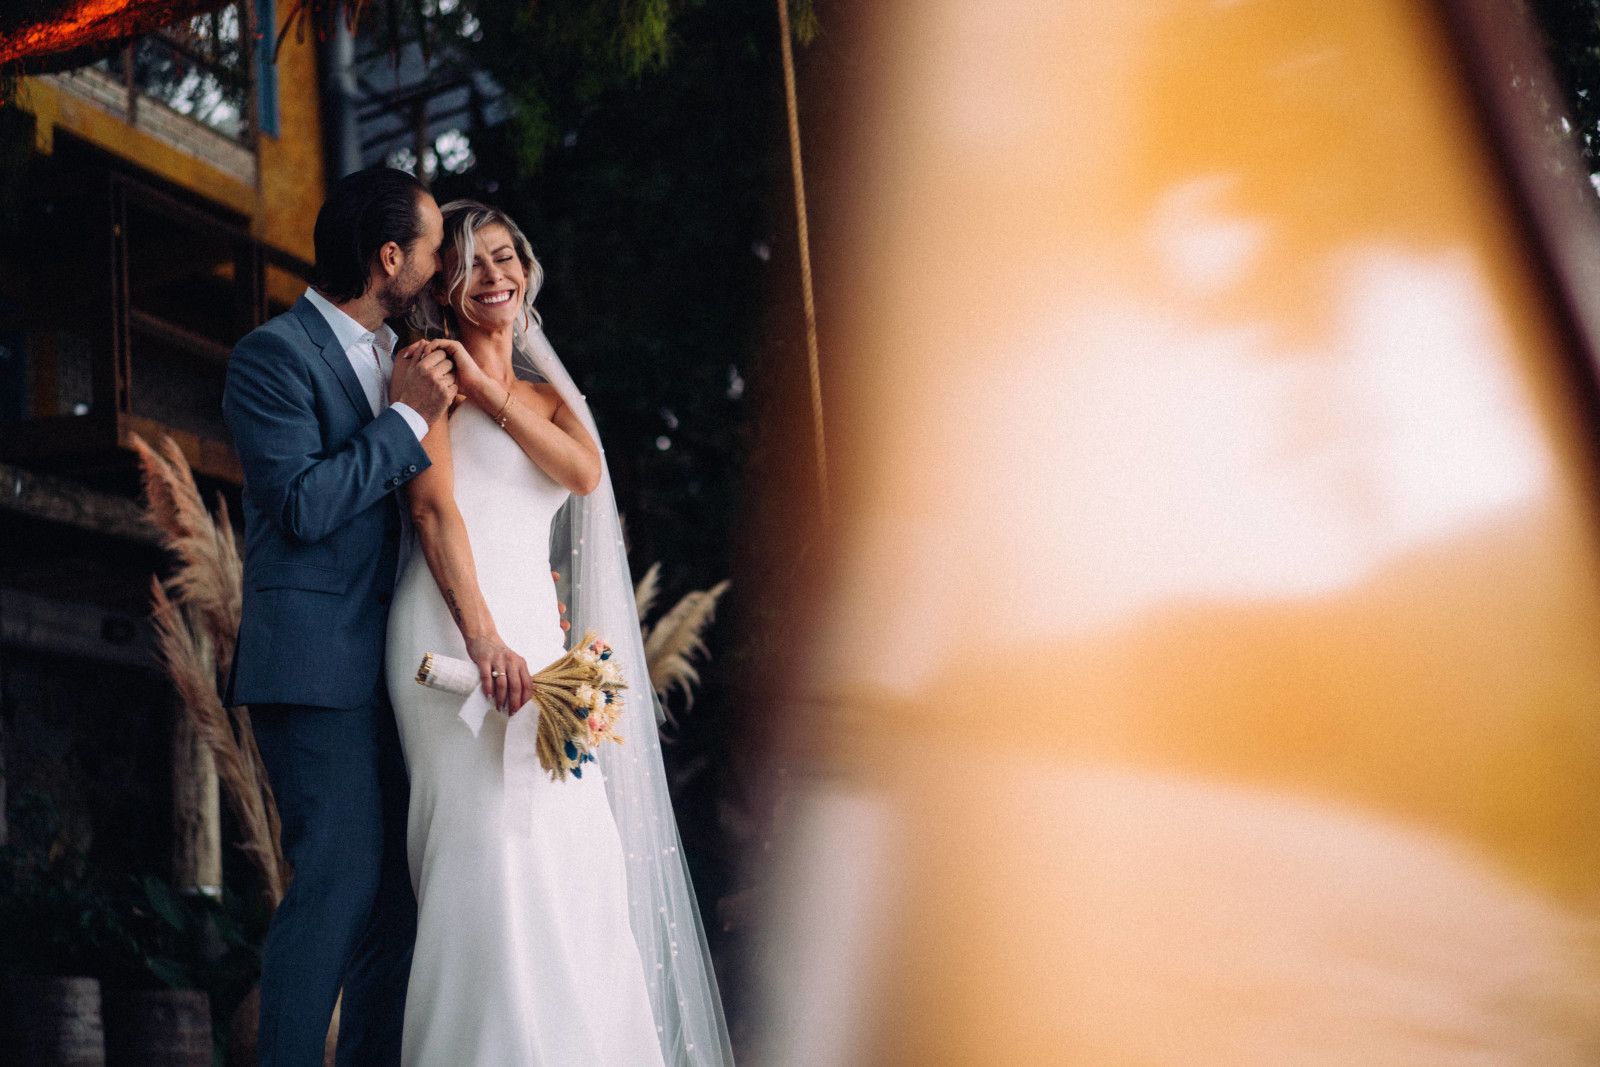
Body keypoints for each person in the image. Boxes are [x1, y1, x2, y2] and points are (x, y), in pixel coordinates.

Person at [384, 200, 734, 1065]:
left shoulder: (545, 397)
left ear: (526, 269)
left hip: (543, 640)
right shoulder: (424, 371)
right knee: (485, 851)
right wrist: (482, 636)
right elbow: (432, 511)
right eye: (472, 261)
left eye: (506, 256)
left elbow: (582, 472)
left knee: (573, 847)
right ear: (444, 283)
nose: (495, 274)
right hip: (452, 628)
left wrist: (491, 389)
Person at [222, 166, 454, 1066]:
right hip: (314, 666)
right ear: (388, 257)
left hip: (401, 670)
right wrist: (404, 423)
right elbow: (302, 505)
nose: (440, 269)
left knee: (396, 897)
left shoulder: (408, 355)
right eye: (432, 250)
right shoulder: (271, 356)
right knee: (338, 881)